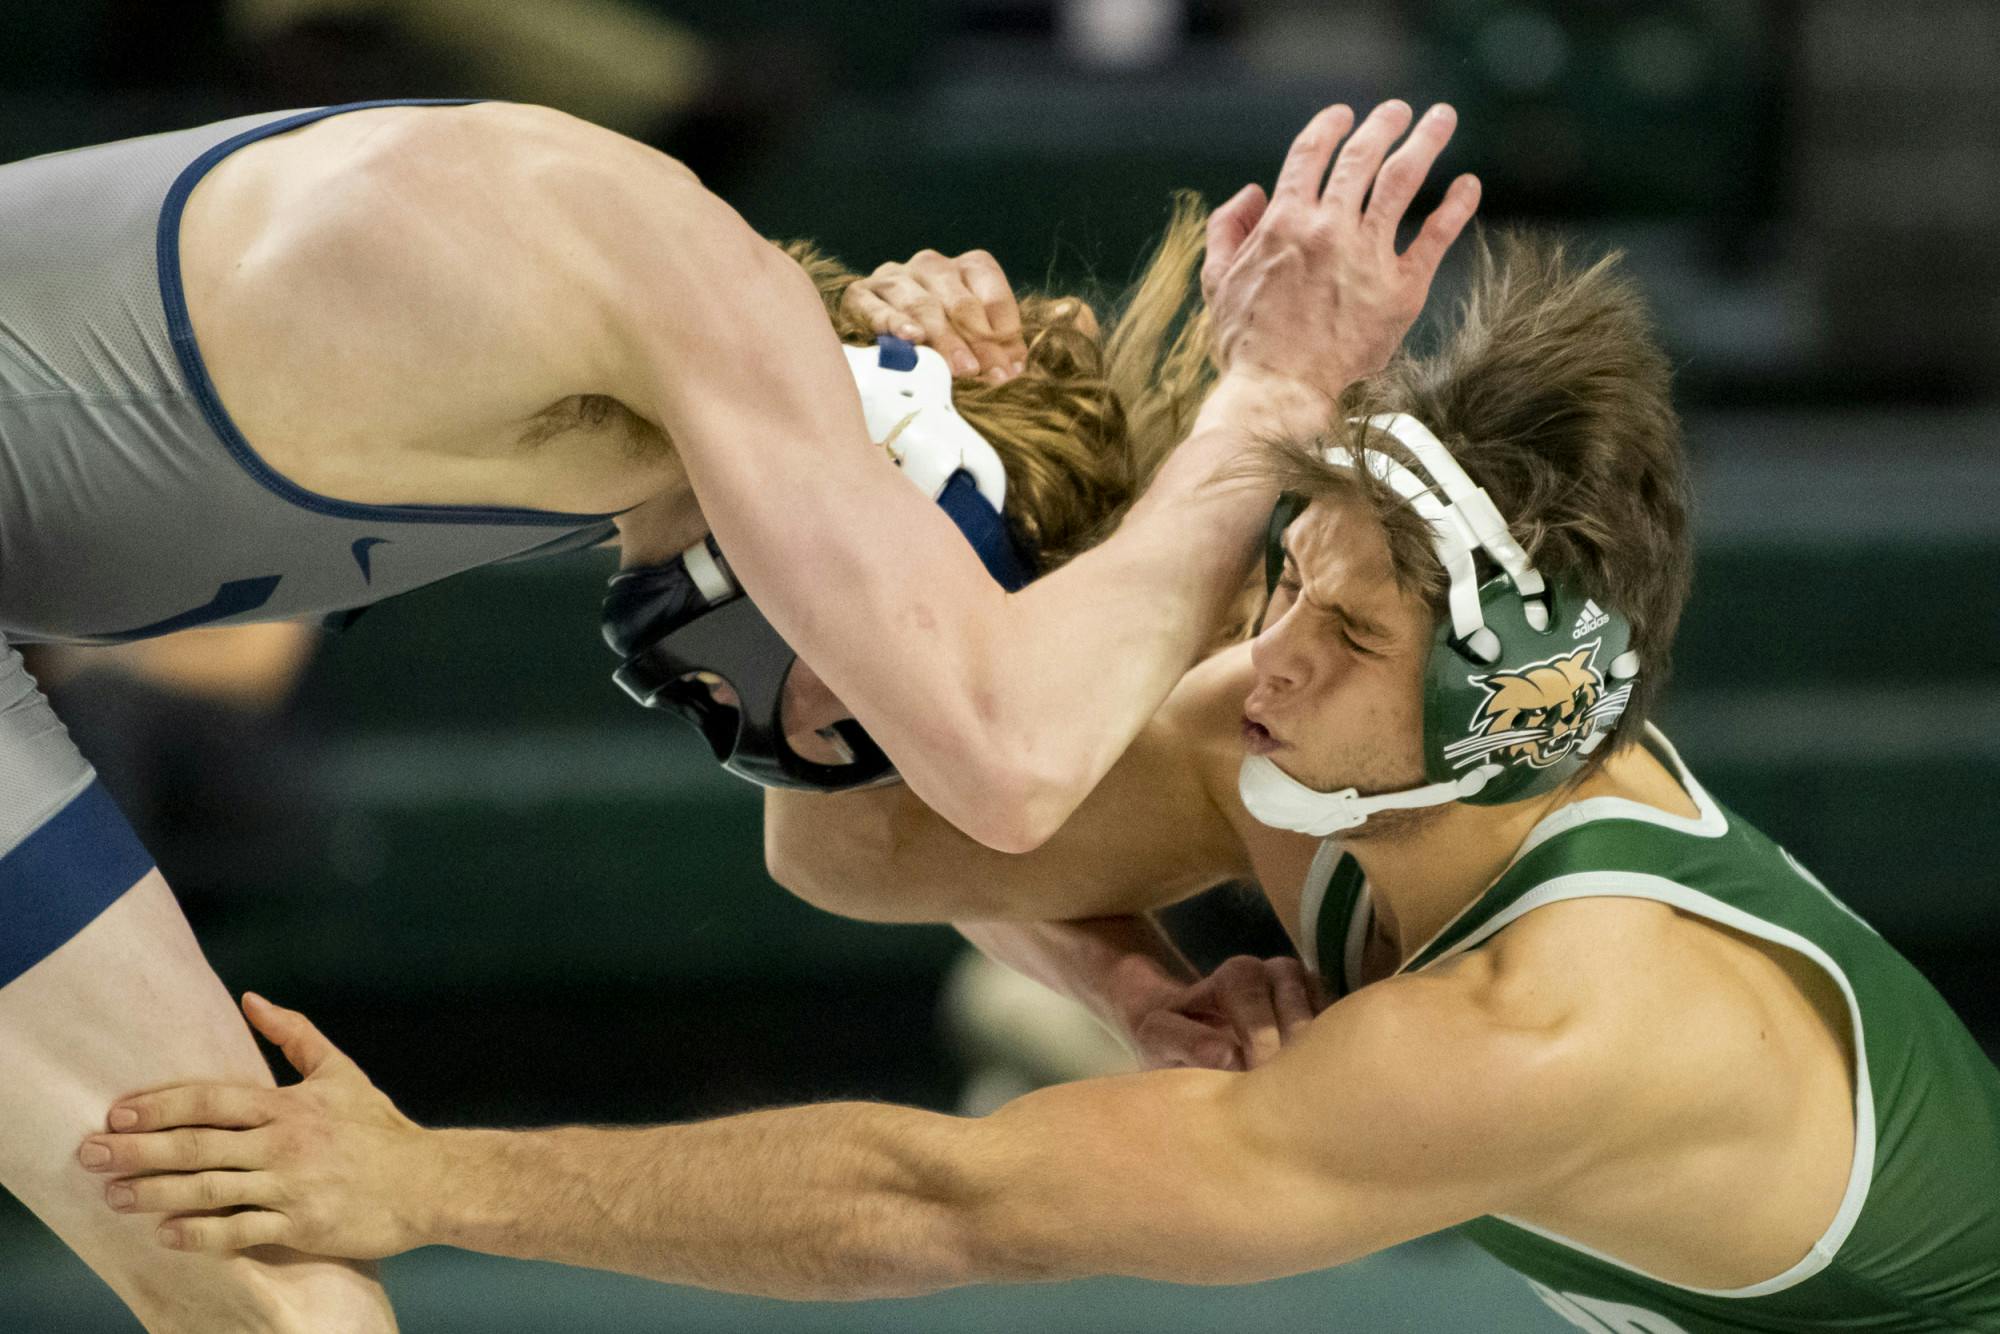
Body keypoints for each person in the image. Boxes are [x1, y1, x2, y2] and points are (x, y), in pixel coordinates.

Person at [88, 231, 2000, 1332]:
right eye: (1290, 579)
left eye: (1350, 637)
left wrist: (431, 1179)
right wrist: (898, 443)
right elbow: (857, 836)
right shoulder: (1315, 743)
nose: (1272, 655)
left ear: (1508, 709)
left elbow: (948, 1199)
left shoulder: (1558, 1030)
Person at [2, 93, 1475, 1326]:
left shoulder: (657, 401)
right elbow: (1009, 763)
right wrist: (1271, 399)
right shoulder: (677, 282)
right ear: (906, 480)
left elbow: (852, 842)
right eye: (875, 688)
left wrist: (1134, 993)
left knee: (268, 1283)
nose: (813, 740)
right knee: (276, 1293)